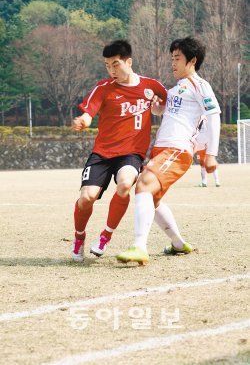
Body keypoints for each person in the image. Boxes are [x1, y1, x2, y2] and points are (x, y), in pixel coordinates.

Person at [116, 36, 221, 265]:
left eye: (177, 58)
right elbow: (173, 112)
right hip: (162, 149)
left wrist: (211, 153)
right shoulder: (176, 89)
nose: (172, 63)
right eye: (171, 58)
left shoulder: (199, 85)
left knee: (143, 185)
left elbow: (213, 116)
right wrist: (159, 108)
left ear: (192, 60)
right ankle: (177, 243)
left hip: (177, 150)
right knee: (151, 198)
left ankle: (139, 247)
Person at [71, 39, 167, 262]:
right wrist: (83, 121)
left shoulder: (151, 86)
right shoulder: (103, 88)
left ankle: (106, 235)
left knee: (125, 183)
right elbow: (89, 112)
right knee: (87, 198)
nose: (111, 70)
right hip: (102, 153)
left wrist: (159, 107)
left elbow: (168, 102)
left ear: (129, 62)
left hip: (131, 153)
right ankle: (79, 237)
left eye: (115, 64)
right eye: (107, 65)